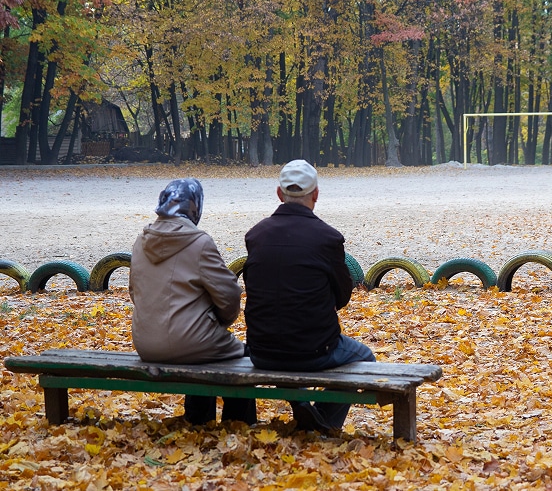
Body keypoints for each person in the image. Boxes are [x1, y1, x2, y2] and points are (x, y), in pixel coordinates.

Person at [243, 159, 375, 433]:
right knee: (364, 357)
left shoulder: (255, 235)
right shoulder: (327, 238)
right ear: (315, 194)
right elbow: (342, 297)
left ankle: (302, 403)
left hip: (260, 349)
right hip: (314, 349)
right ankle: (323, 420)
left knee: (284, 343)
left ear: (279, 194)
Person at [130, 178, 255, 425]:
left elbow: (135, 292)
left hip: (145, 344)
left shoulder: (140, 242)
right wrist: (220, 320)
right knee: (241, 361)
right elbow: (228, 295)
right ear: (195, 207)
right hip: (190, 342)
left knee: (197, 344)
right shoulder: (199, 242)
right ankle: (240, 423)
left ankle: (198, 419)